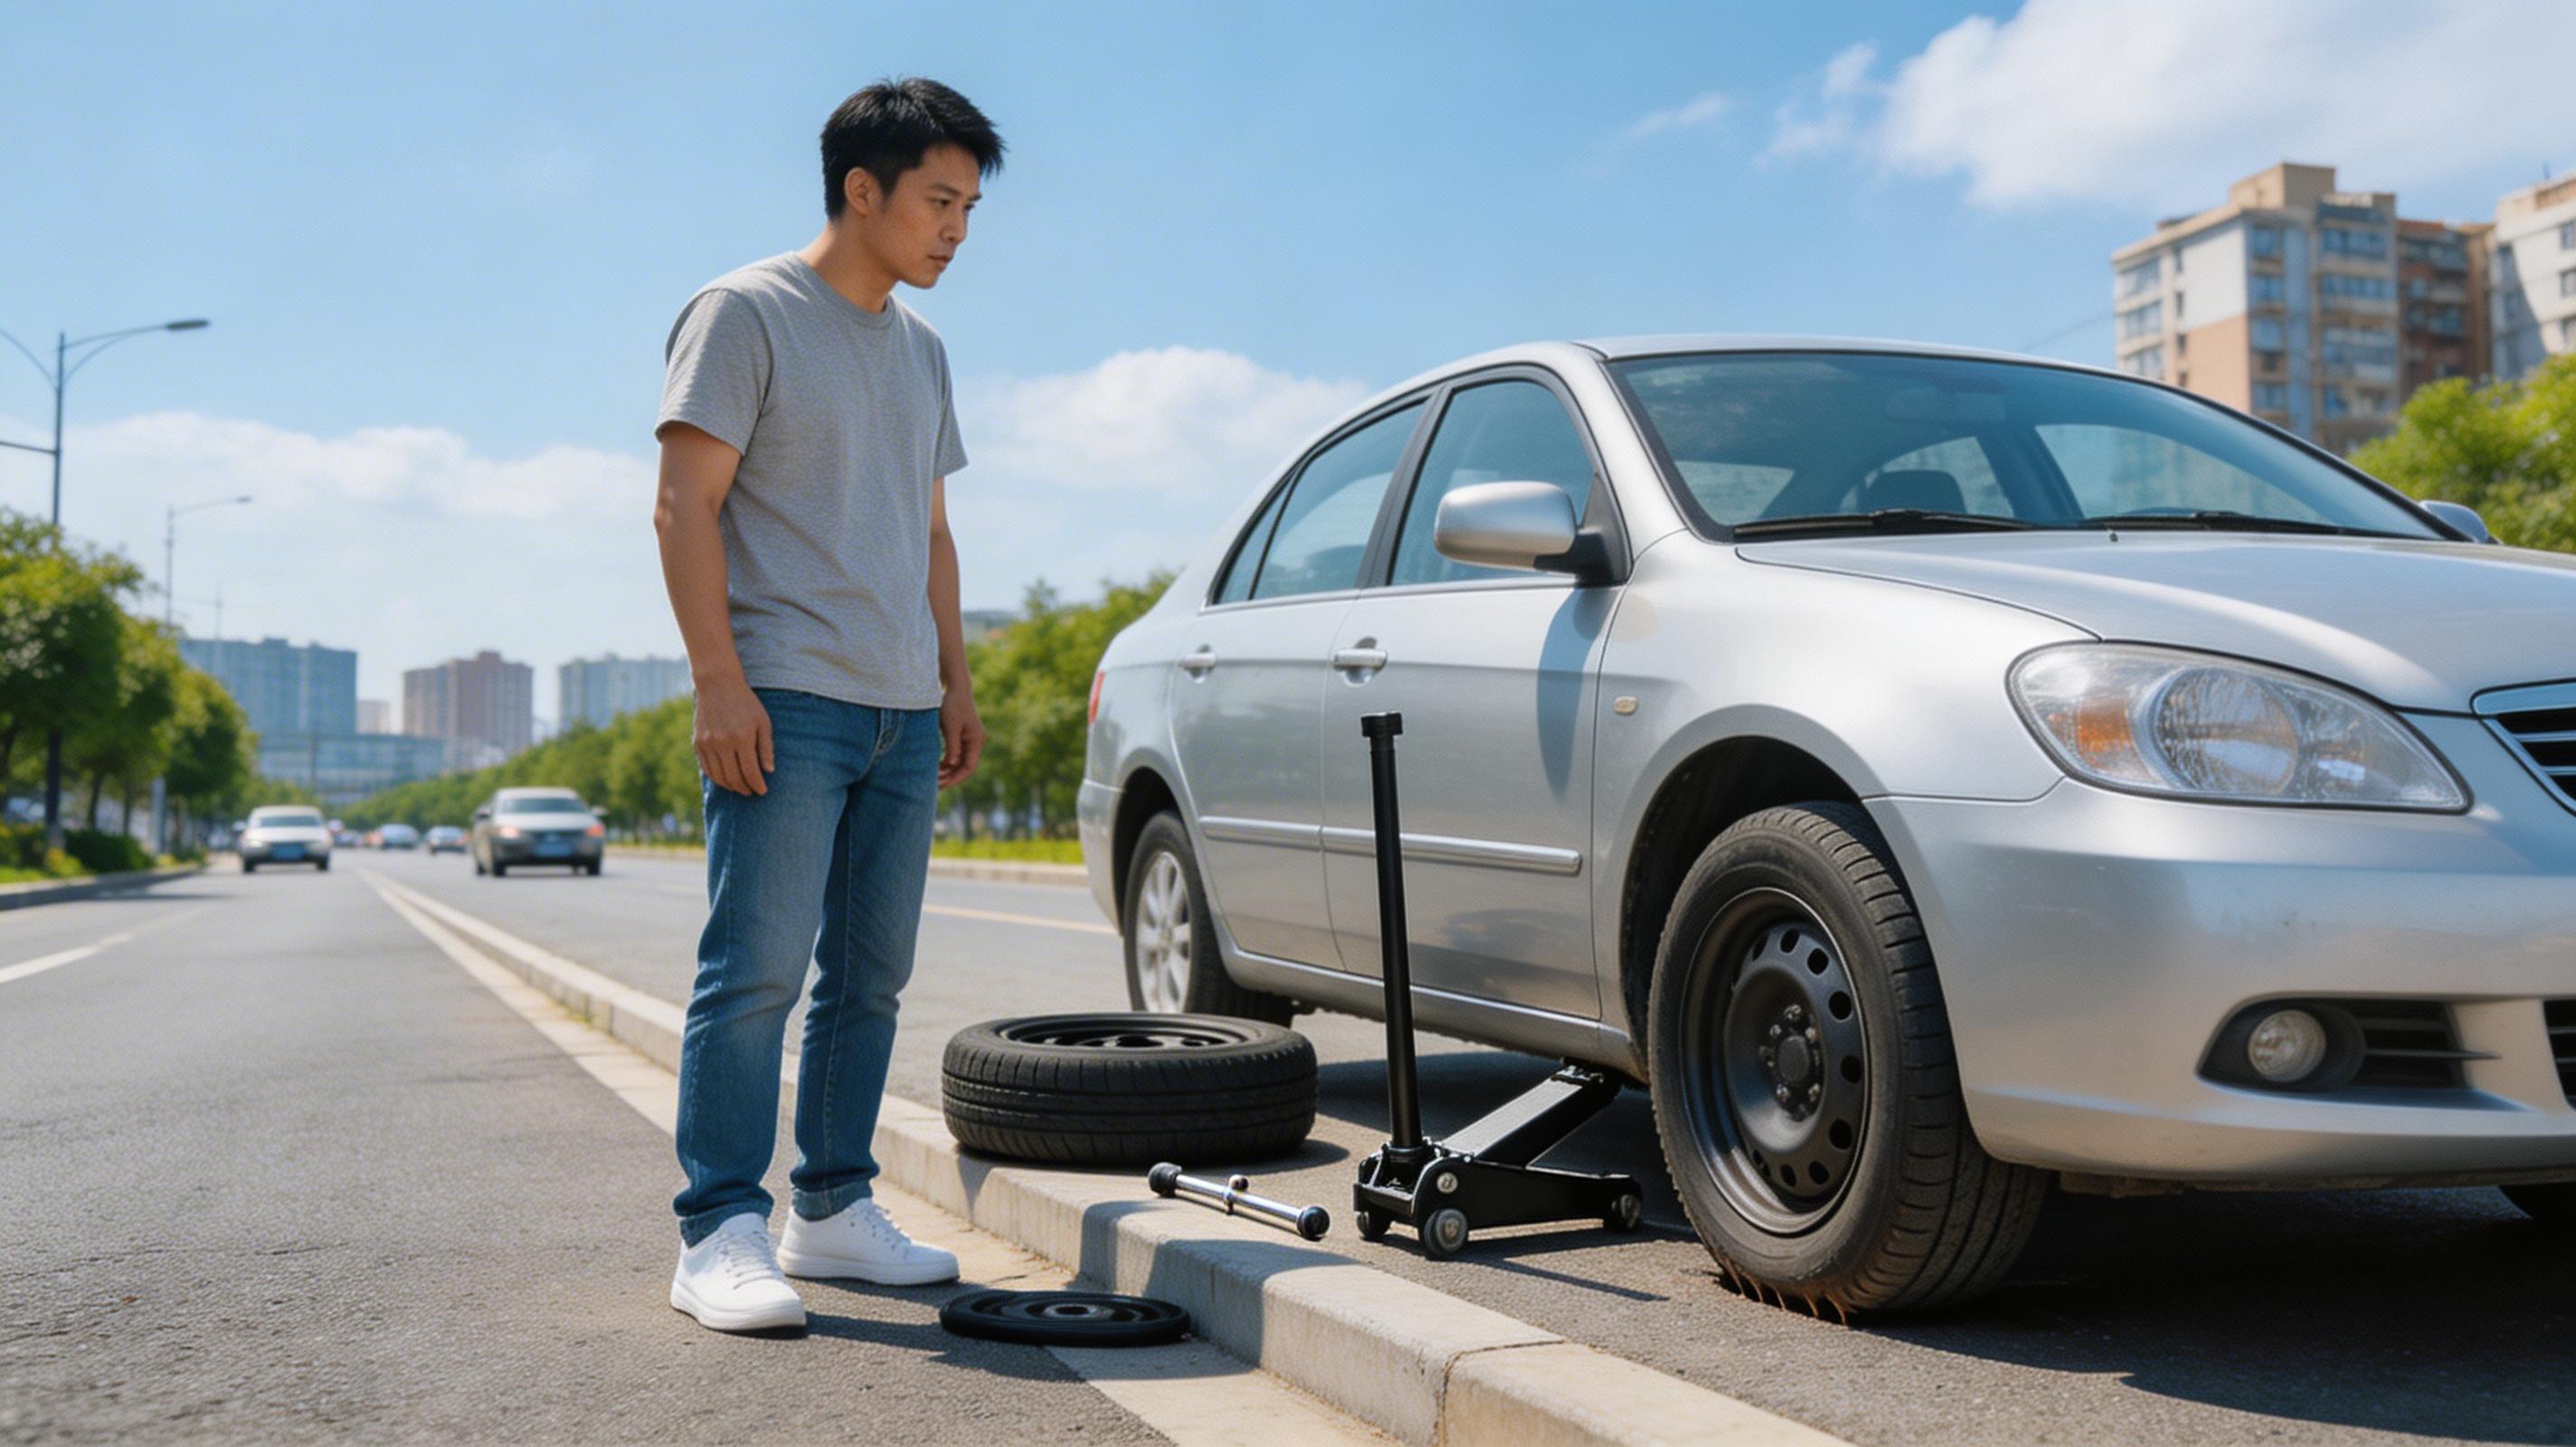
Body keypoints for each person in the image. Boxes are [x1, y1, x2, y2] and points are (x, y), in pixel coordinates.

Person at [651, 76, 1000, 1333]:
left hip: (902, 710)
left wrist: (955, 681)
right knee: (754, 971)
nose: (957, 229)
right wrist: (717, 682)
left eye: (970, 206)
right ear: (863, 190)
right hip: (785, 696)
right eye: (939, 201)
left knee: (870, 978)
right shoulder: (744, 311)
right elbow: (685, 504)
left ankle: (833, 1212)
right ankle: (719, 1230)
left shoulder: (923, 348)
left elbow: (933, 532)